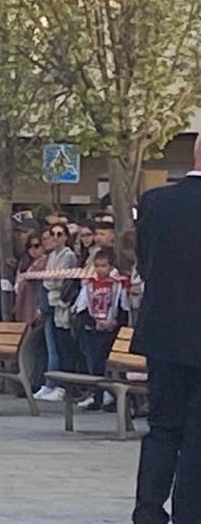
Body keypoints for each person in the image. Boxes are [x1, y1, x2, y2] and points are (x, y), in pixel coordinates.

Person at [131, 141, 201, 524]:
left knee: (162, 427)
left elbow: (146, 263)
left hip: (165, 333)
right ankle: (190, 512)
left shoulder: (155, 203)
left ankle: (148, 510)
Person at [73, 247, 128, 412]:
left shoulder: (118, 285)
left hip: (111, 331)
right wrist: (92, 323)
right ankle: (96, 396)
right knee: (94, 366)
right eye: (97, 265)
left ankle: (111, 396)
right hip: (93, 330)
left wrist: (116, 323)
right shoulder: (89, 285)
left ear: (111, 266)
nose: (100, 269)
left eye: (104, 266)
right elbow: (81, 308)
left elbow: (123, 307)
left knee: (111, 366)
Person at [34, 223, 78, 403]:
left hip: (60, 303)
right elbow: (48, 278)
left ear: (66, 237)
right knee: (52, 344)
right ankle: (50, 382)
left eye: (60, 234)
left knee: (61, 346)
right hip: (49, 302)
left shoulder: (68, 255)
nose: (55, 237)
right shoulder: (51, 255)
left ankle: (60, 384)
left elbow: (57, 279)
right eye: (52, 233)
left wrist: (49, 281)